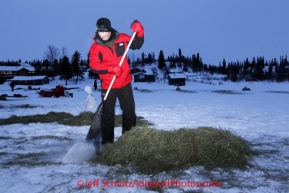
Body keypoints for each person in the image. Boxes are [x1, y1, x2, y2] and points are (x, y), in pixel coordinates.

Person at [89, 18, 144, 145]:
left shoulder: (122, 38)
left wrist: (140, 32)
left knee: (129, 112)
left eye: (106, 31)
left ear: (110, 29)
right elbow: (94, 65)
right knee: (107, 115)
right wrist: (110, 69)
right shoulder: (95, 47)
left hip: (125, 83)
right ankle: (108, 144)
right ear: (97, 31)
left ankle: (128, 141)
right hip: (108, 85)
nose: (104, 34)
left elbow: (136, 44)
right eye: (101, 32)